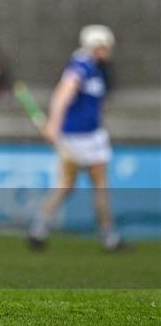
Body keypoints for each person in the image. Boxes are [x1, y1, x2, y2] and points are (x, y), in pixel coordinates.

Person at [28, 25, 123, 251]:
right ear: (96, 45)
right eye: (105, 46)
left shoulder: (93, 67)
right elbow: (62, 95)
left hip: (84, 135)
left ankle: (39, 228)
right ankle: (109, 237)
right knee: (98, 185)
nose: (108, 50)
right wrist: (54, 125)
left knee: (66, 185)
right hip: (83, 138)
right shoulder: (82, 66)